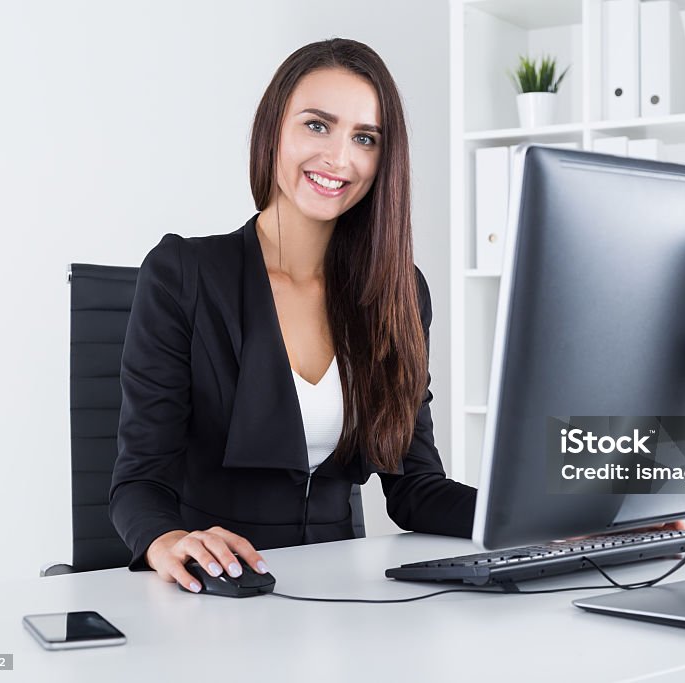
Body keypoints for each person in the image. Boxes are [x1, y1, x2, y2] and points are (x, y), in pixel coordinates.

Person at [109, 38, 476, 593]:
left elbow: (416, 489)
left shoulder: (398, 293)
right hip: (216, 588)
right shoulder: (184, 273)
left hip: (345, 594)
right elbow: (139, 480)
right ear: (273, 129)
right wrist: (167, 540)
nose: (339, 158)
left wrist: (543, 517)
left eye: (365, 138)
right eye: (317, 125)